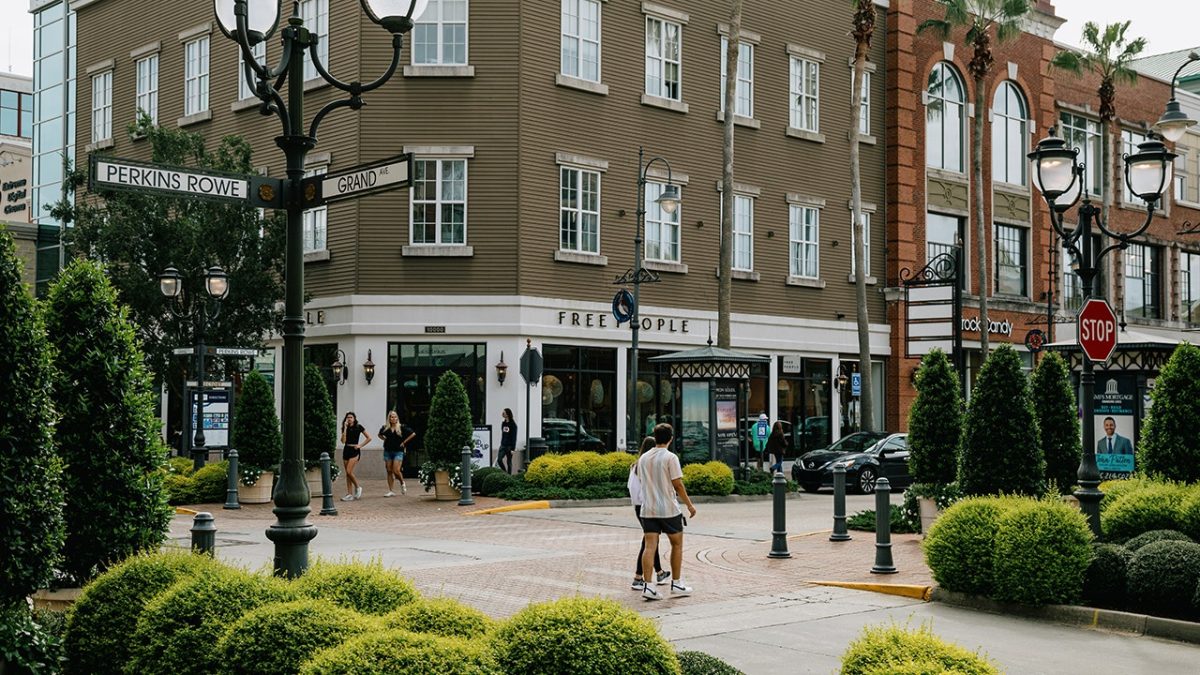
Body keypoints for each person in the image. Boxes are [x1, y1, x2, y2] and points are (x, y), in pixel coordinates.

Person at [637, 423, 697, 601]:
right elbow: (677, 484)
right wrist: (690, 505)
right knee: (676, 545)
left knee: (649, 547)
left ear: (655, 437)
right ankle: (676, 583)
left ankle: (648, 586)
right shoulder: (671, 458)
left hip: (648, 509)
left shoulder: (643, 458)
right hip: (669, 509)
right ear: (671, 438)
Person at [628, 436, 669, 592]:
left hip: (638, 506)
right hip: (648, 506)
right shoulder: (646, 467)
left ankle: (659, 572)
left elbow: (631, 488)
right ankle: (638, 578)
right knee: (648, 541)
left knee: (651, 539)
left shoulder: (635, 465)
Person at [379, 411, 416, 497]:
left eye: (395, 417)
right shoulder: (385, 428)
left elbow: (413, 434)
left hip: (398, 451)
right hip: (388, 450)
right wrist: (383, 438)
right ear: (389, 418)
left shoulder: (401, 427)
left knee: (396, 470)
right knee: (389, 470)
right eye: (391, 417)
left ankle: (402, 482)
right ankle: (391, 490)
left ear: (397, 418)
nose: (393, 418)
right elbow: (380, 434)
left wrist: (404, 442)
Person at [340, 412, 371, 501]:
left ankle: (358, 487)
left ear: (354, 418)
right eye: (348, 417)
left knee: (349, 471)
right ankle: (349, 494)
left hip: (354, 450)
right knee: (347, 474)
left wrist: (360, 445)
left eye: (351, 417)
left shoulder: (359, 427)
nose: (349, 419)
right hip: (346, 450)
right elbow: (343, 441)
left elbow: (369, 438)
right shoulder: (345, 427)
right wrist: (345, 428)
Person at [498, 408, 517, 474]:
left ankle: (509, 475)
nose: (503, 414)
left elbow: (514, 437)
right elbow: (503, 434)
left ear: (507, 414)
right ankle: (505, 472)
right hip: (503, 445)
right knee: (499, 460)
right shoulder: (503, 423)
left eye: (504, 413)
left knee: (509, 462)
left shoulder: (513, 424)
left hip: (509, 446)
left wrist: (513, 448)